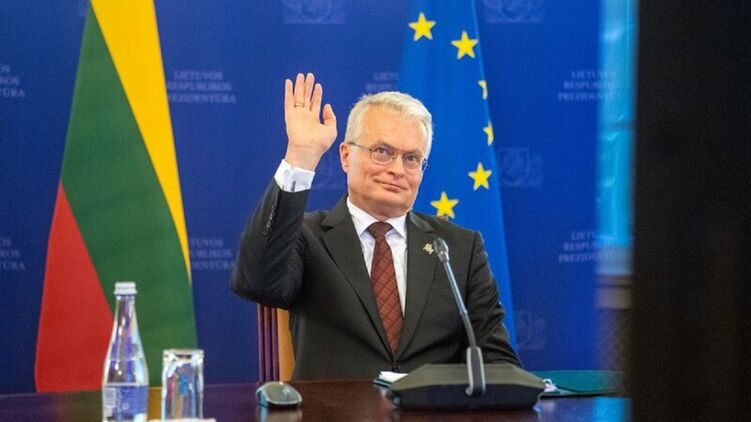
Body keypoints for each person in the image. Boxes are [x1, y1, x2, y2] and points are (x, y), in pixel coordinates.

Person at [232, 73, 520, 379]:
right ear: (346, 156)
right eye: (382, 152)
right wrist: (300, 158)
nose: (397, 169)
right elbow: (255, 282)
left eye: (412, 158)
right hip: (335, 406)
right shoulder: (305, 237)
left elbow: (498, 361)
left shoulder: (457, 248)